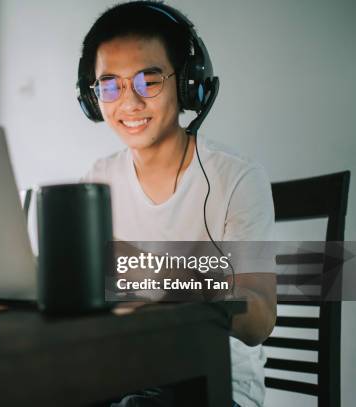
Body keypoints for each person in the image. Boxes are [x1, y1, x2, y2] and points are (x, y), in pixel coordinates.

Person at [77, 2, 276, 406]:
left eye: (148, 81)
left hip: (216, 384)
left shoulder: (237, 178)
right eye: (110, 85)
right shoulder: (97, 180)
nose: (128, 102)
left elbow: (258, 320)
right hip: (123, 375)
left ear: (188, 83)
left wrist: (163, 279)